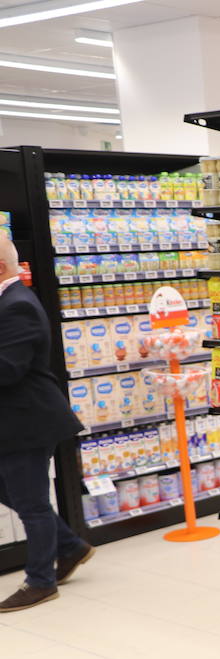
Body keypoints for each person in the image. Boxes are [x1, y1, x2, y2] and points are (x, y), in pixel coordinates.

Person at [0, 236, 94, 611]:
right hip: (14, 421)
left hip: (28, 421)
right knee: (15, 494)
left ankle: (40, 582)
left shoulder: (17, 306)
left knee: (32, 504)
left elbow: (7, 370)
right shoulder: (8, 302)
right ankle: (71, 546)